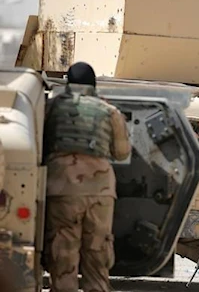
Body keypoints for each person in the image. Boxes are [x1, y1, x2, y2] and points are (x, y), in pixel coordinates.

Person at [43, 62, 131, 292]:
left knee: (63, 253)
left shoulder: (52, 107)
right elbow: (122, 153)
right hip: (100, 190)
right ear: (93, 84)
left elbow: (39, 142)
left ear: (68, 83)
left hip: (61, 187)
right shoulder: (109, 111)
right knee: (97, 254)